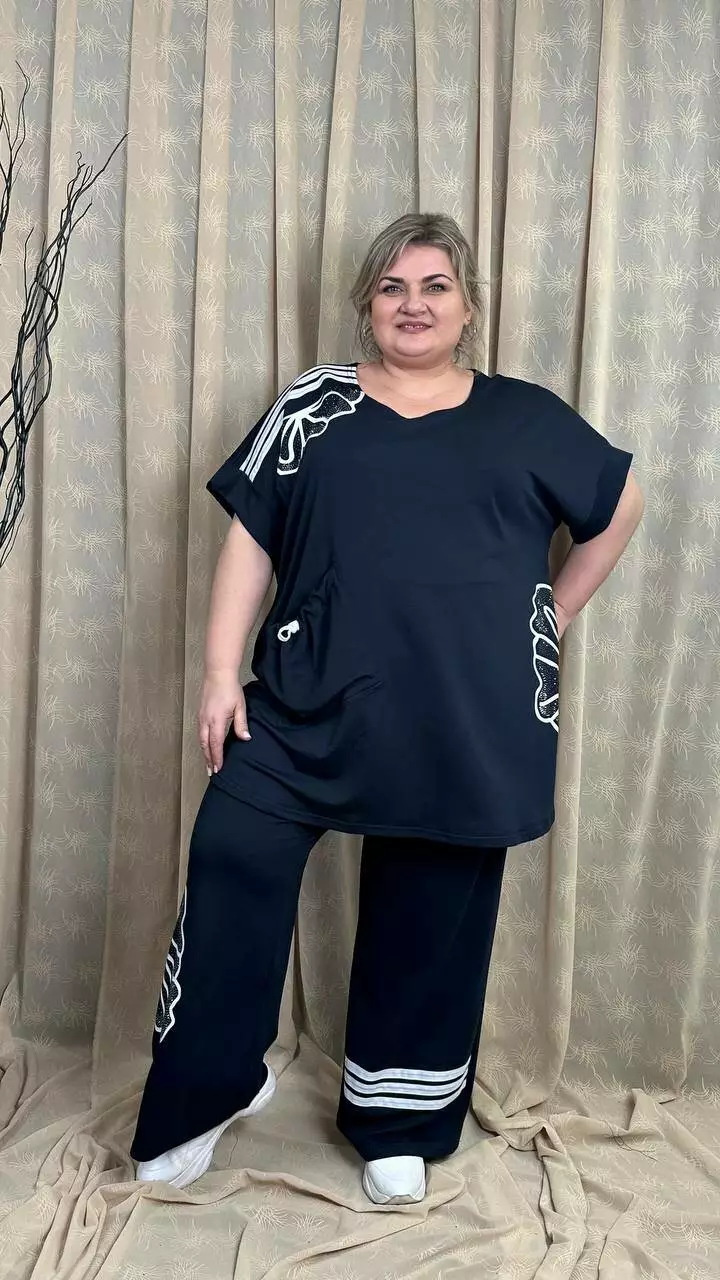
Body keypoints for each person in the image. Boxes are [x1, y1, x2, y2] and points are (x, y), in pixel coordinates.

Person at [130, 212, 642, 1204]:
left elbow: (619, 504)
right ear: (367, 303)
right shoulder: (312, 404)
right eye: (394, 287)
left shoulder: (527, 416)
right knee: (234, 855)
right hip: (304, 701)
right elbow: (252, 537)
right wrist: (221, 671)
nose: (414, 304)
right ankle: (209, 1086)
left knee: (430, 912)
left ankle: (397, 1120)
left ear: (468, 306)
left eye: (435, 286)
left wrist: (553, 614)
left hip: (465, 715)